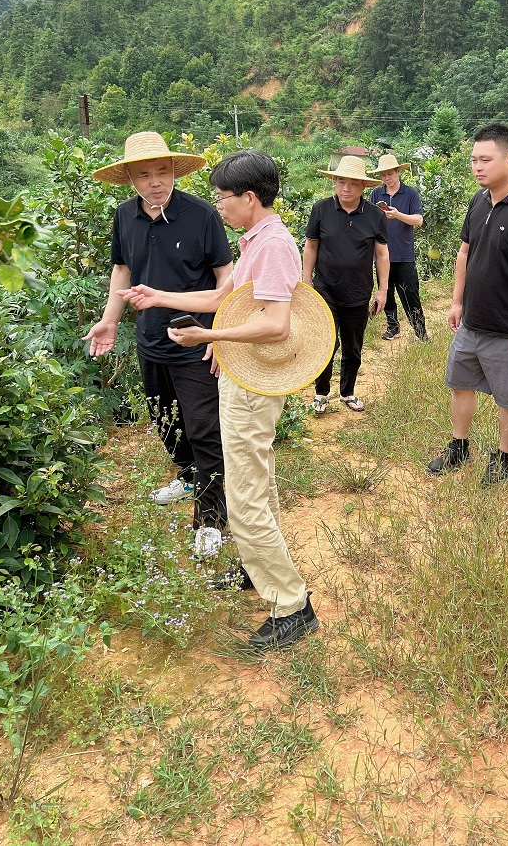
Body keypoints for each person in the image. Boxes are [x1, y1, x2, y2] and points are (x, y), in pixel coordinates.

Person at [118, 149, 319, 650]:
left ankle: (292, 605)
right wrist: (158, 296)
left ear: (249, 198)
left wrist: (209, 338)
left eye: (224, 197)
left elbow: (277, 325)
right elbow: (222, 300)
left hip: (251, 386)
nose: (219, 206)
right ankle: (258, 569)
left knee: (245, 496)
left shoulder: (272, 245)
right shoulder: (256, 240)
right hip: (242, 376)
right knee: (257, 482)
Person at [85, 131, 233, 558]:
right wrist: (110, 320)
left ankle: (210, 518)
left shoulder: (202, 214)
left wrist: (219, 334)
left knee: (204, 430)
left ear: (174, 172)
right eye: (145, 174)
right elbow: (122, 269)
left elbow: (226, 278)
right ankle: (187, 477)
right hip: (149, 339)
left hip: (195, 341)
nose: (156, 182)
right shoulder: (124, 216)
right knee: (165, 421)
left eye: (163, 172)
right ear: (130, 178)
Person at [428, 124, 508, 485]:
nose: (477, 167)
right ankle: (459, 446)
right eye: (474, 160)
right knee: (459, 383)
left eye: (485, 159)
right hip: (471, 323)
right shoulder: (479, 201)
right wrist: (457, 301)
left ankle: (502, 460)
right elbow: (464, 253)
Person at [303, 155, 389, 415]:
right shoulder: (321, 209)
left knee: (353, 346)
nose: (346, 188)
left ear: (363, 186)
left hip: (358, 292)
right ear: (335, 182)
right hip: (325, 289)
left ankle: (347, 392)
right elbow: (311, 246)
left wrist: (382, 290)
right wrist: (306, 281)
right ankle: (321, 393)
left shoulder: (375, 215)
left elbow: (382, 254)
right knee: (327, 343)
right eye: (341, 182)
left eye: (352, 183)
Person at [368, 153, 428, 342]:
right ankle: (393, 327)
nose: (387, 178)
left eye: (390, 174)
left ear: (398, 172)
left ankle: (420, 332)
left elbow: (418, 220)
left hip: (404, 254)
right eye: (383, 175)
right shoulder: (376, 194)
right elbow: (369, 219)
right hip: (382, 254)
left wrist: (397, 215)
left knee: (411, 294)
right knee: (386, 292)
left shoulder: (410, 194)